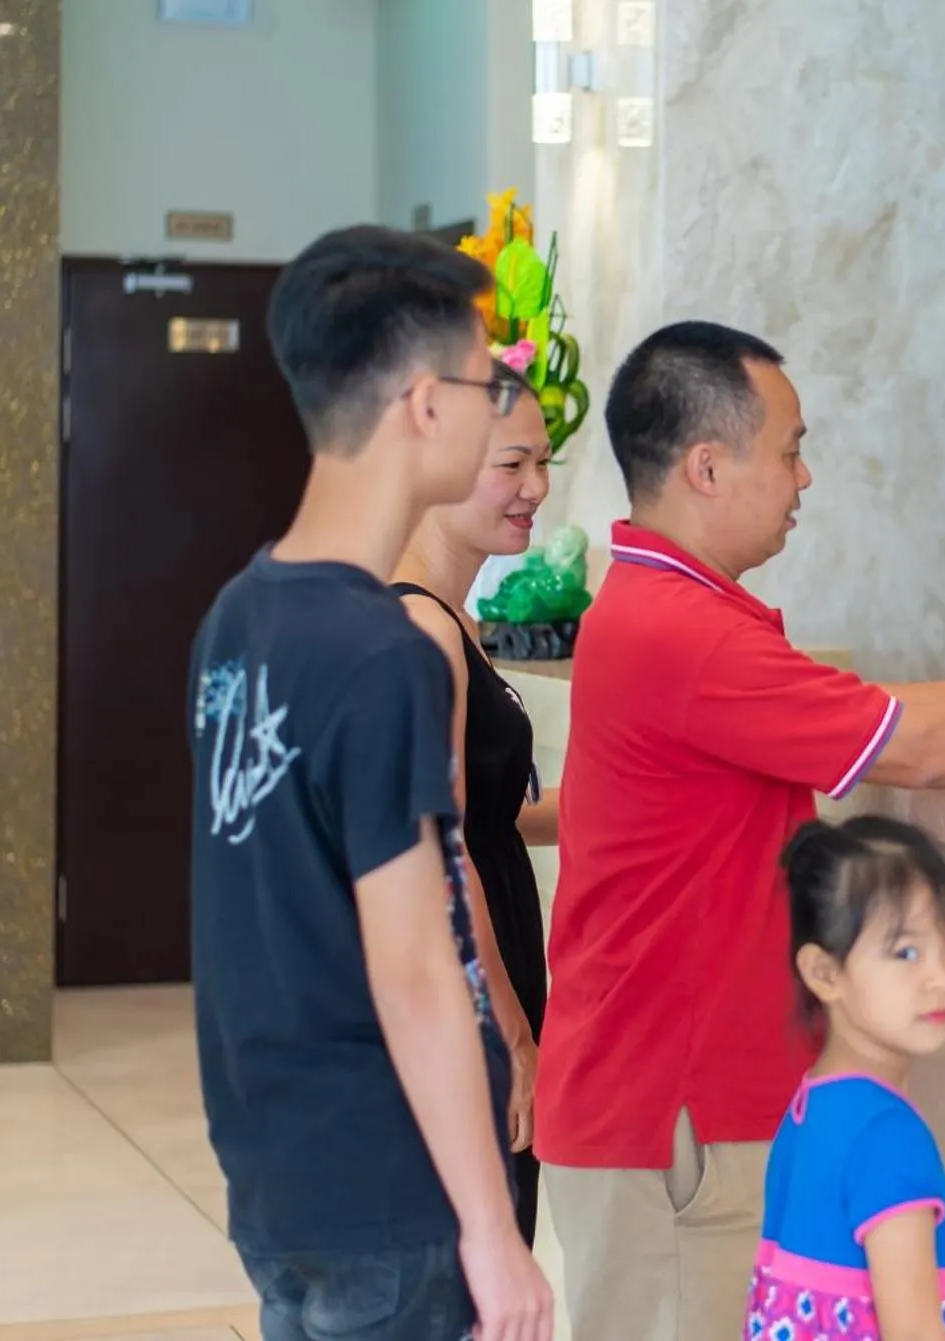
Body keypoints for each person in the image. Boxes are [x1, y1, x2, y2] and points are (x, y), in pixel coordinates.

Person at [534, 321, 945, 1341]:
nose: (805, 477)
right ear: (707, 467)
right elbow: (911, 752)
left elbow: (851, 708)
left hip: (684, 1096)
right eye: (789, 449)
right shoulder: (683, 629)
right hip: (673, 1108)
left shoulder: (684, 608)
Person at [188, 226, 552, 1341]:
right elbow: (416, 966)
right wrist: (495, 1237)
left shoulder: (238, 614)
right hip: (392, 1185)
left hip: (276, 1170)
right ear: (420, 401)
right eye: (489, 386)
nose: (504, 414)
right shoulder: (385, 650)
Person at [391, 357, 560, 1247]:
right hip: (465, 1002)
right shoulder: (420, 625)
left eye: (544, 463)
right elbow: (438, 846)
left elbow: (486, 813)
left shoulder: (454, 620)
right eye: (511, 464)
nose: (535, 487)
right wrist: (510, 1037)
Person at [747, 817, 945, 1341]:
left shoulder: (813, 1109)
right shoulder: (888, 1136)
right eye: (905, 952)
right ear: (824, 974)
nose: (941, 977)